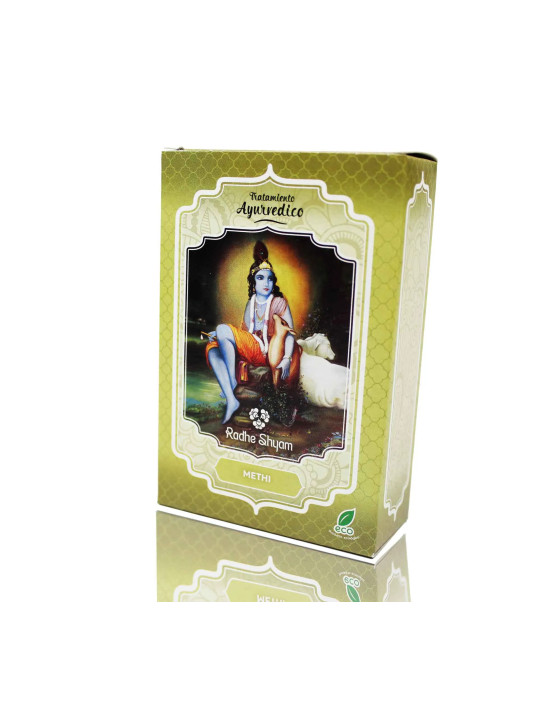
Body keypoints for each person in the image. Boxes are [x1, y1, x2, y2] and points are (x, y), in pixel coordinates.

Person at [206, 240, 300, 423]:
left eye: (270, 278)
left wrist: (287, 358)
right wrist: (221, 336)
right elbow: (244, 333)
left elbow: (289, 333)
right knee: (212, 348)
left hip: (268, 351)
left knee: (222, 329)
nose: (267, 282)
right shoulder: (251, 303)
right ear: (253, 282)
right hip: (251, 347)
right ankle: (231, 399)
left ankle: (231, 382)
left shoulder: (279, 301)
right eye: (261, 278)